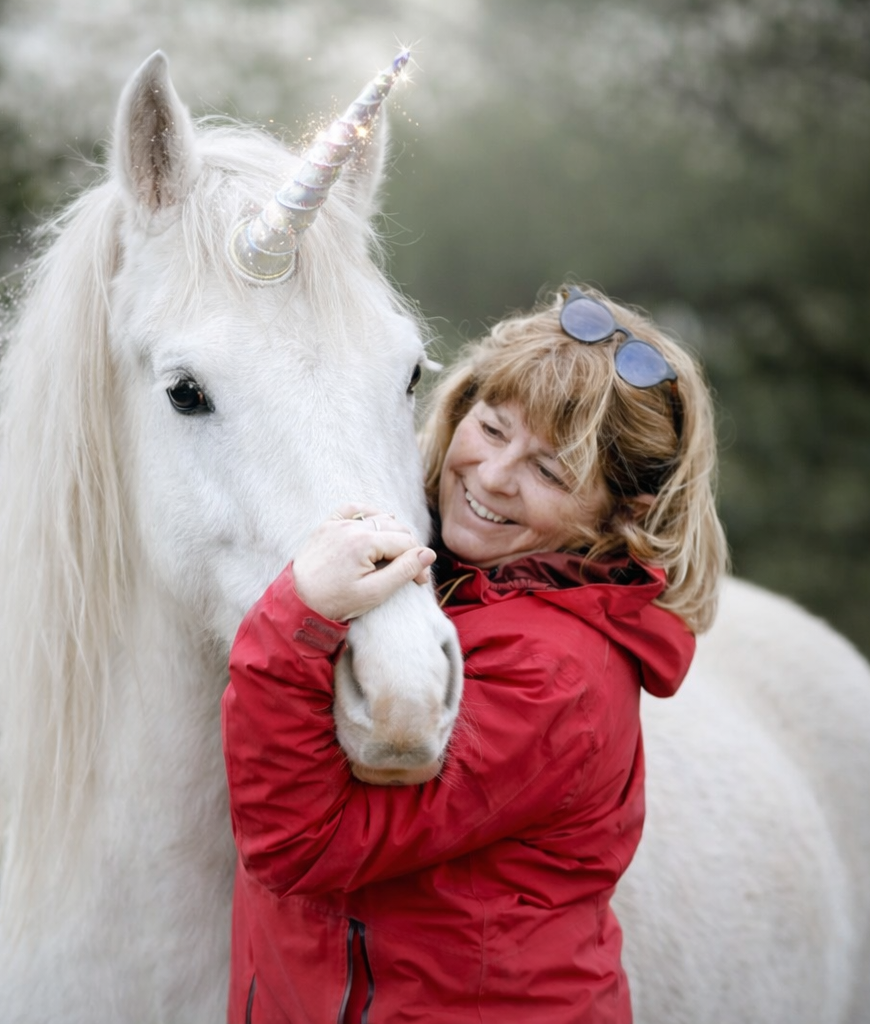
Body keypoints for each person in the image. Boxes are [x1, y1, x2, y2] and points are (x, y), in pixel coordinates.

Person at [222, 286, 727, 1023]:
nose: (493, 476)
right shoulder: (455, 579)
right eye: (491, 429)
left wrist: (299, 618)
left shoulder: (555, 677)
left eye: (550, 472)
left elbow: (304, 846)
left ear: (622, 513)